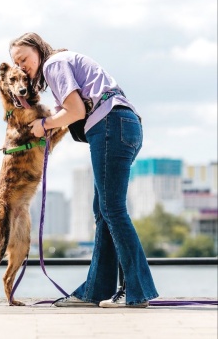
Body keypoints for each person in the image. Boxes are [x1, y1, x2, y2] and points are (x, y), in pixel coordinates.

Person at [9, 32, 159, 308]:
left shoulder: (54, 64)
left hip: (110, 126)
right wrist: (42, 122)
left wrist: (43, 126)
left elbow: (75, 111)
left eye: (23, 58)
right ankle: (95, 292)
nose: (21, 66)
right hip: (124, 125)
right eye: (16, 63)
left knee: (112, 210)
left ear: (38, 49)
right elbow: (63, 115)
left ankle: (136, 290)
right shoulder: (62, 67)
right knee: (104, 212)